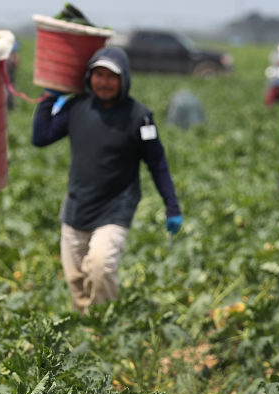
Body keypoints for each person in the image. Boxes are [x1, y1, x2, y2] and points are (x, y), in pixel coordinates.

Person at [31, 46, 183, 314]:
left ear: (124, 79)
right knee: (76, 280)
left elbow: (157, 164)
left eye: (111, 77)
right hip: (77, 206)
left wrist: (172, 206)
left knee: (100, 266)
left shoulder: (140, 117)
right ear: (89, 77)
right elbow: (41, 138)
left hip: (116, 207)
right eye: (98, 75)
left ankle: (104, 324)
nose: (104, 83)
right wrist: (47, 99)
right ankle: (87, 325)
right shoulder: (76, 108)